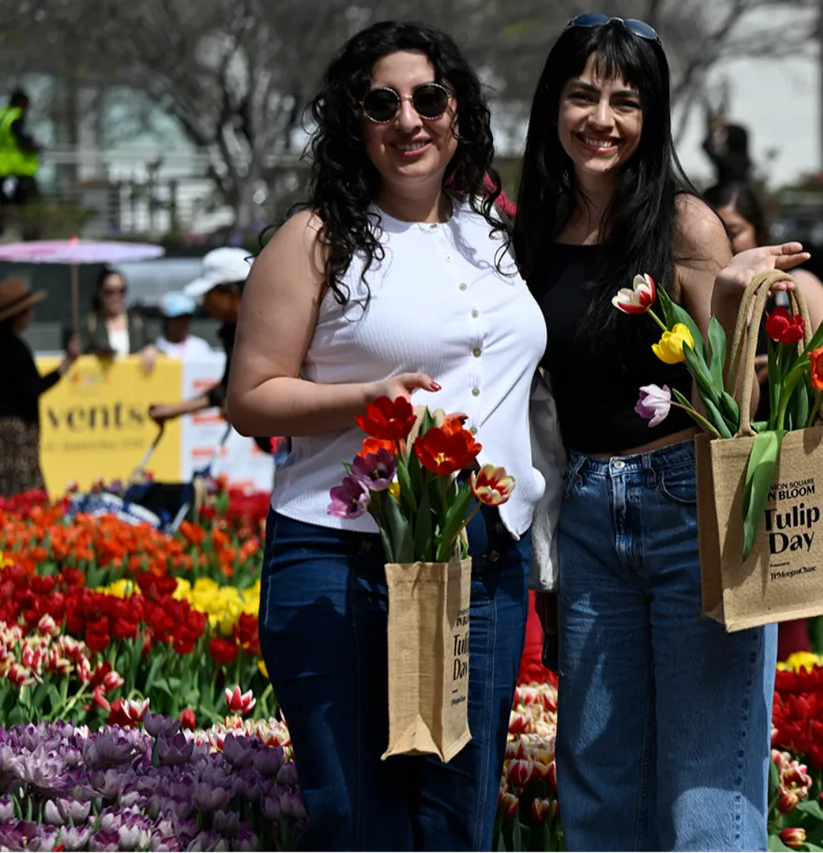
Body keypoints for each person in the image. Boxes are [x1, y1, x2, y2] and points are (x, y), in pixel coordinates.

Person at [224, 22, 544, 851]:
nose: (410, 119)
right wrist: (364, 398)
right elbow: (250, 396)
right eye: (382, 102)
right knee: (360, 821)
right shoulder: (312, 238)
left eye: (429, 97)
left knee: (458, 821)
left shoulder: (497, 235)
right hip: (341, 561)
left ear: (458, 113)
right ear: (353, 122)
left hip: (482, 561)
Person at [514, 17, 807, 851]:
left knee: (705, 787)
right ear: (553, 106)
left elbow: (733, 392)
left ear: (652, 116)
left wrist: (731, 300)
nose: (601, 118)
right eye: (582, 95)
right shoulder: (532, 232)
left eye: (625, 100)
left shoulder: (685, 224)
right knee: (598, 779)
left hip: (690, 506)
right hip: (586, 514)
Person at [702, 182, 823, 658]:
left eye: (734, 232)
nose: (727, 247)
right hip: (730, 454)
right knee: (744, 580)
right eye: (715, 235)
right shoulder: (707, 290)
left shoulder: (791, 287)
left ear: (759, 231)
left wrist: (781, 368)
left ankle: (791, 679)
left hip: (790, 453)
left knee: (786, 575)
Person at [0, 278, 81, 500]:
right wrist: (66, 363)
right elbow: (32, 388)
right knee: (21, 498)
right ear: (16, 315)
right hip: (11, 438)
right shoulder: (12, 347)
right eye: (27, 310)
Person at [147, 248, 250, 426]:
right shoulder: (231, 331)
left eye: (208, 293)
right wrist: (173, 410)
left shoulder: (267, 328)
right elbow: (225, 389)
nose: (204, 301)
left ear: (232, 293)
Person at [0, 89, 42, 242]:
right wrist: (34, 147)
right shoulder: (15, 118)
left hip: (0, 170)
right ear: (22, 103)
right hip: (17, 172)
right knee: (30, 207)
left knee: (8, 208)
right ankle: (31, 241)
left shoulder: (0, 117)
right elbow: (22, 142)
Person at [80, 268, 151, 358]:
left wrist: (151, 349)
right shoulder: (90, 324)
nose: (116, 297)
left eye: (121, 291)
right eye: (109, 292)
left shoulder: (137, 322)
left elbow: (150, 345)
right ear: (99, 293)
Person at [151, 292, 212, 361]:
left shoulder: (200, 347)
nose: (182, 324)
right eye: (177, 319)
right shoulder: (155, 346)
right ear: (166, 320)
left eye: (185, 319)